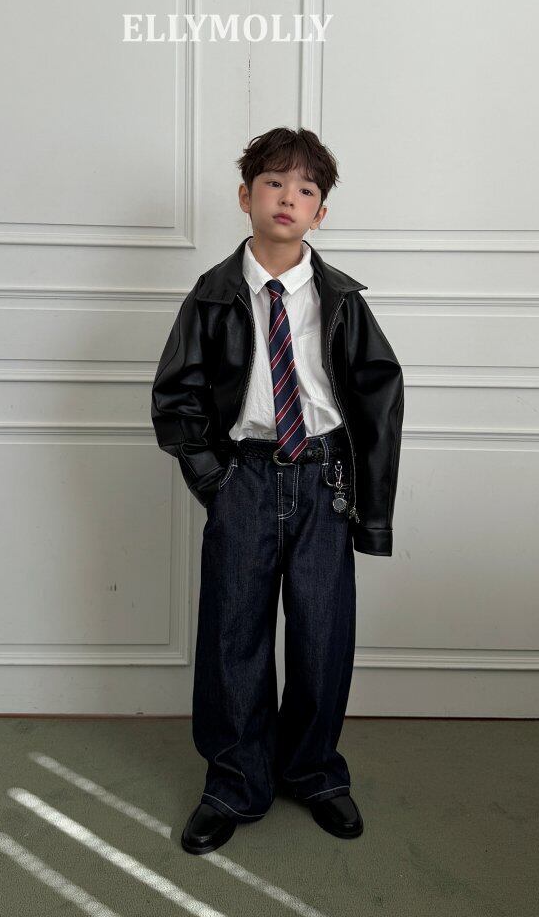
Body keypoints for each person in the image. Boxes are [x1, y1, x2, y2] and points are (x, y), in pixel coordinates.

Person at [151, 127, 404, 855]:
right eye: (273, 183)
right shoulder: (212, 296)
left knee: (324, 636)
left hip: (325, 482)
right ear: (245, 196)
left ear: (321, 212)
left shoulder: (341, 299)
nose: (287, 198)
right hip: (248, 477)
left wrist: (371, 513)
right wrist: (216, 479)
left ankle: (314, 771)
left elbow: (380, 404)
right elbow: (176, 398)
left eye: (305, 189)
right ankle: (234, 782)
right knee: (234, 637)